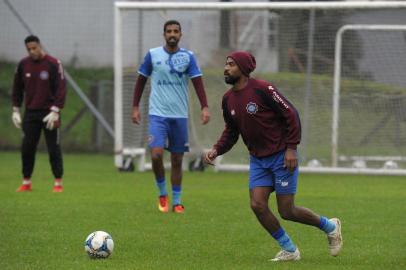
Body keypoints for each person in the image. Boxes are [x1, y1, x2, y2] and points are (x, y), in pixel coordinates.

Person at [204, 51, 342, 261]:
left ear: (242, 68)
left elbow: (291, 114)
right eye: (226, 64)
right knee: (257, 205)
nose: (226, 68)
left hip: (281, 156)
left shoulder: (263, 89)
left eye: (231, 64)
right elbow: (232, 132)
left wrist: (291, 148)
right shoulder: (228, 99)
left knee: (287, 210)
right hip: (258, 160)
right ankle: (289, 249)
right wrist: (217, 149)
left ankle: (330, 226)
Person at [132, 20, 210, 213]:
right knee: (156, 155)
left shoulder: (188, 57)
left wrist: (205, 107)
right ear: (164, 34)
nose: (172, 34)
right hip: (157, 114)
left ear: (180, 35)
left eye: (176, 31)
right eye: (169, 31)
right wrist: (135, 106)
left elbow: (198, 82)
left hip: (179, 116)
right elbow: (141, 80)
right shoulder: (153, 55)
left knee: (177, 160)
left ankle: (177, 202)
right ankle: (162, 193)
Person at [11, 35, 66, 193]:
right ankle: (26, 182)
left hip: (50, 113)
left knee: (53, 148)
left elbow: (61, 88)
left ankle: (58, 183)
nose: (32, 51)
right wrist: (15, 109)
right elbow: (17, 88)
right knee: (27, 148)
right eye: (29, 49)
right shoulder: (23, 65)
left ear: (40, 46)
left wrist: (56, 109)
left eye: (34, 48)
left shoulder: (54, 64)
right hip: (31, 113)